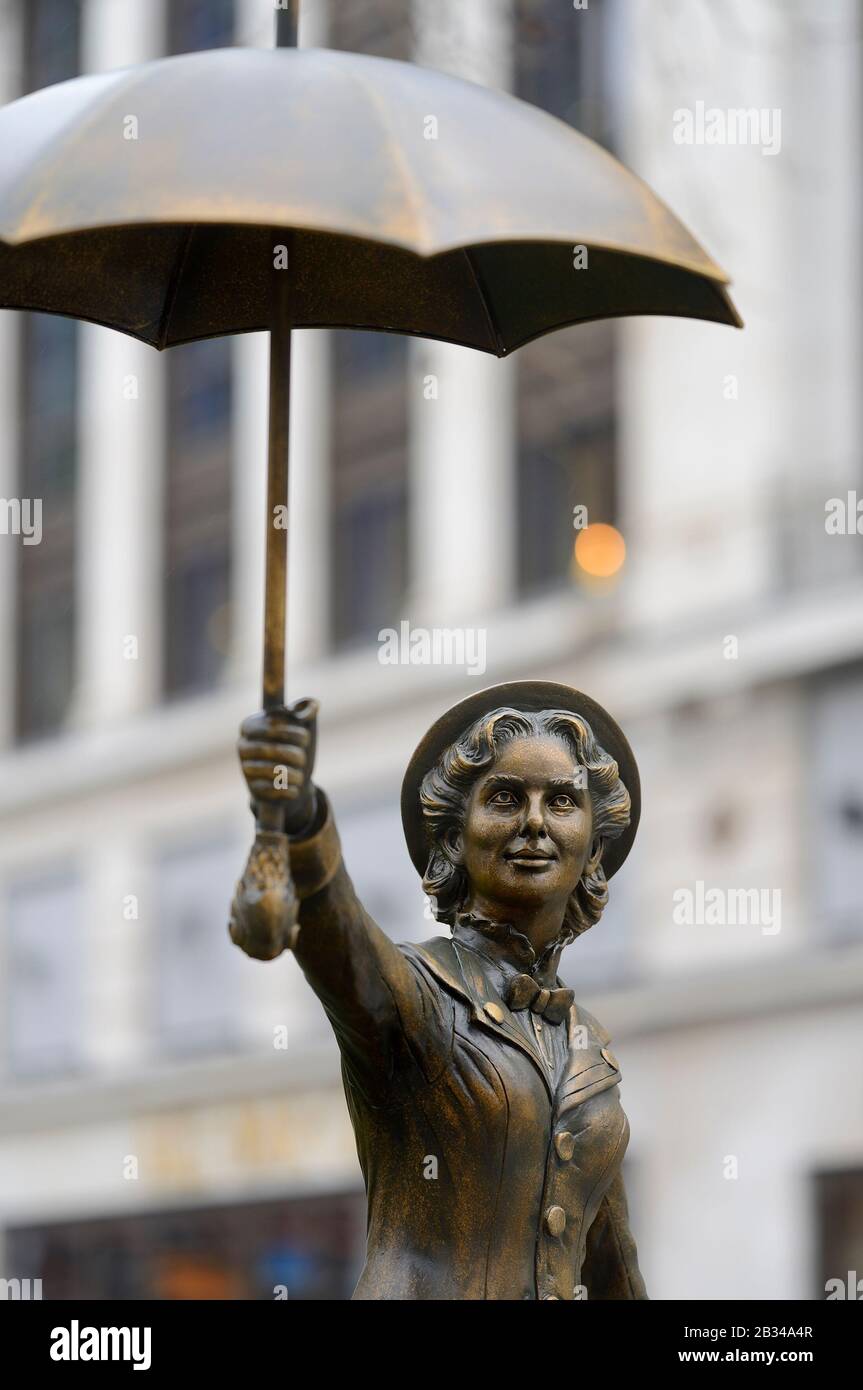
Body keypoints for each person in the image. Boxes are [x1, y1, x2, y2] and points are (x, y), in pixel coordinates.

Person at [230, 680, 648, 1301]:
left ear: (593, 843)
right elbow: (338, 939)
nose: (534, 823)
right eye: (505, 798)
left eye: (562, 801)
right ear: (454, 836)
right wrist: (299, 816)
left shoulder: (590, 1048)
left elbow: (614, 1272)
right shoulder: (416, 995)